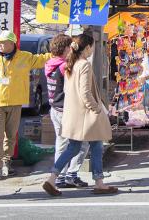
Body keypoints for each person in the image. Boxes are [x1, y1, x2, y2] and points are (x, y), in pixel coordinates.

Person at [43, 33, 117, 196]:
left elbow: (69, 90)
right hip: (86, 115)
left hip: (73, 113)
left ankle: (52, 178)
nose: (93, 50)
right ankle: (99, 182)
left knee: (73, 147)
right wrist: (96, 108)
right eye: (93, 47)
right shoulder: (84, 64)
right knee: (96, 146)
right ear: (88, 47)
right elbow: (85, 92)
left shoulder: (71, 63)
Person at [0, 30, 51, 180]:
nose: (0, 44)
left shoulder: (24, 57)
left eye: (3, 42)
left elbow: (42, 59)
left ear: (12, 43)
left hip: (16, 103)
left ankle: (7, 163)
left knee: (11, 136)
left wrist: (58, 53)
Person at [45, 34, 89, 189]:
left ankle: (62, 176)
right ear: (65, 49)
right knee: (82, 143)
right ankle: (67, 175)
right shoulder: (64, 66)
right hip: (66, 110)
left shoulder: (50, 63)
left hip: (55, 109)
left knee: (62, 144)